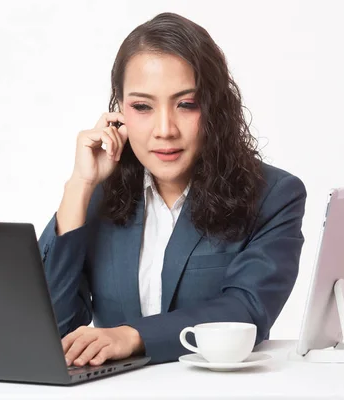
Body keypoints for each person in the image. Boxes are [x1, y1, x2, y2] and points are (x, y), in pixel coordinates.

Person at [38, 12, 306, 367]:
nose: (165, 129)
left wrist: (130, 336)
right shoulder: (102, 194)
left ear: (215, 107)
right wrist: (79, 186)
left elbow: (247, 309)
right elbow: (52, 328)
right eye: (142, 107)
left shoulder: (273, 195)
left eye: (186, 104)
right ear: (119, 111)